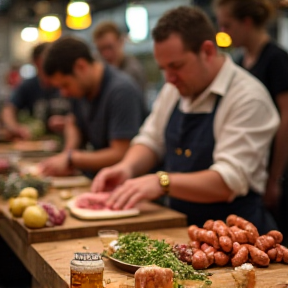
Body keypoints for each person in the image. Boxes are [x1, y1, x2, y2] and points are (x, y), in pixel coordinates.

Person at [91, 6, 280, 234]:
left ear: (207, 51)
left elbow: (227, 181)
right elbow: (151, 140)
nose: (169, 78)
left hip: (235, 239)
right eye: (163, 69)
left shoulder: (248, 97)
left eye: (176, 66)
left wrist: (161, 182)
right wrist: (126, 167)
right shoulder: (177, 87)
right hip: (181, 228)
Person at [214, 0, 288, 242]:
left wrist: (275, 176)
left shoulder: (276, 59)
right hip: (252, 165)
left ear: (246, 22)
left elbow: (286, 119)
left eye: (227, 24)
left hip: (275, 165)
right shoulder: (239, 60)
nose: (223, 31)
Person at [38, 36, 144, 178]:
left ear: (81, 66)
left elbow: (120, 153)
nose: (64, 93)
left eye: (65, 85)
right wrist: (66, 155)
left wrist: (72, 158)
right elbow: (73, 122)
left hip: (124, 184)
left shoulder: (121, 91)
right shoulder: (81, 89)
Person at [1, 42, 71, 139]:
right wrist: (16, 128)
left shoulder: (69, 82)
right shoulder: (29, 85)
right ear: (35, 63)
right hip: (39, 141)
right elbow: (9, 109)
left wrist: (68, 122)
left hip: (66, 141)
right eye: (41, 66)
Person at [93, 21, 147, 92]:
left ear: (121, 42)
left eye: (109, 47)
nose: (106, 54)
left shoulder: (133, 71)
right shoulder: (98, 71)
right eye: (101, 49)